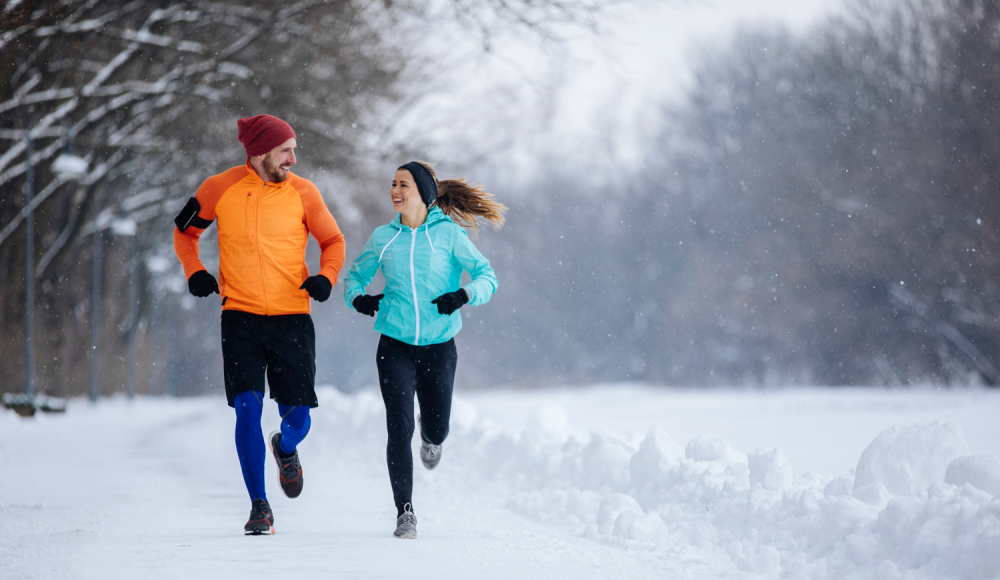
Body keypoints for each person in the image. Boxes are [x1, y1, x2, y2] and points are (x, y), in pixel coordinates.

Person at [173, 114, 346, 535]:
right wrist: (194, 270)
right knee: (247, 408)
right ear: (260, 151)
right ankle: (259, 505)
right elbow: (184, 232)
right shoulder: (219, 188)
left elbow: (333, 241)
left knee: (298, 420)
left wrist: (325, 277)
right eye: (286, 149)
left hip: (292, 318)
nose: (293, 157)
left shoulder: (304, 192)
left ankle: (285, 449)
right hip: (240, 316)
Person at [343, 161, 505, 539]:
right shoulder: (384, 238)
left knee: (436, 427)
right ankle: (405, 512)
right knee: (398, 429)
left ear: (424, 193)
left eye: (403, 185)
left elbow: (487, 277)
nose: (394, 191)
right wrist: (359, 300)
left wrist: (463, 294)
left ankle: (432, 439)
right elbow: (354, 277)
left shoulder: (448, 235)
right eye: (393, 184)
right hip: (395, 346)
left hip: (439, 347)